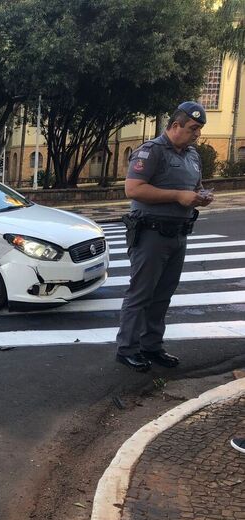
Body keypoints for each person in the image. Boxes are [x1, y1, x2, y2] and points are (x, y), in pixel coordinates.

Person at [115, 101, 214, 372]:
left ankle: (152, 346)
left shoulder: (192, 155)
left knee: (163, 295)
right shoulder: (151, 151)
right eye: (193, 128)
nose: (196, 134)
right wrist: (177, 197)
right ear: (174, 126)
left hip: (178, 234)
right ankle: (127, 349)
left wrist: (201, 197)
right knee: (141, 293)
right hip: (151, 234)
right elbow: (133, 189)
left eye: (199, 130)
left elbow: (195, 186)